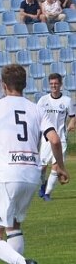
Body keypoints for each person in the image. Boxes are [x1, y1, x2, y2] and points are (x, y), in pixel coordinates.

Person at [0, 64, 69, 264]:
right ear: (24, 84)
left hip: (7, 175)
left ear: (4, 86)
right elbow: (54, 140)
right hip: (31, 175)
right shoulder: (36, 109)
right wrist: (61, 167)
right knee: (13, 226)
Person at [36, 72, 76, 201]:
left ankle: (47, 194)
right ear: (49, 85)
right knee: (42, 168)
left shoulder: (67, 101)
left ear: (61, 85)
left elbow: (73, 117)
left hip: (61, 138)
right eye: (52, 84)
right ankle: (43, 184)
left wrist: (71, 124)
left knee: (56, 166)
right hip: (46, 139)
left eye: (56, 84)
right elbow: (36, 117)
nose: (54, 86)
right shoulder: (43, 100)